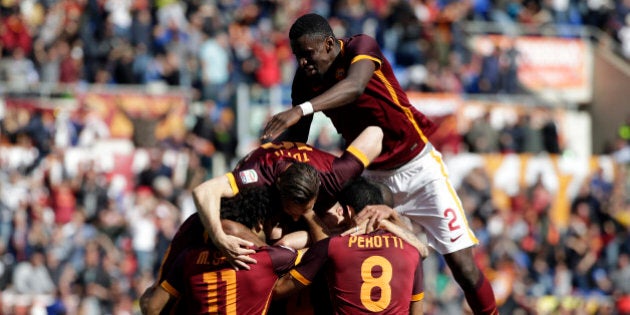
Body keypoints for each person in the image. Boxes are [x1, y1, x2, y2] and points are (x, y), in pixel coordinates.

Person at [262, 13, 498, 314]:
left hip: (419, 168)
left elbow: (355, 86)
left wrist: (301, 108)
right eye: (297, 57)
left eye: (308, 55)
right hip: (370, 181)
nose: (303, 64)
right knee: (336, 255)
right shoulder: (306, 81)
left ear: (330, 44)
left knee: (463, 267)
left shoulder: (361, 46)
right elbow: (298, 142)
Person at [192, 125, 383, 270]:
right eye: (293, 212)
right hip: (263, 182)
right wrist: (220, 239)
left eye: (307, 209)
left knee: (333, 222)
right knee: (275, 235)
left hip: (313, 177)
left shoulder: (336, 174)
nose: (295, 218)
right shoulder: (257, 174)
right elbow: (203, 191)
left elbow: (376, 132)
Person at [273, 177, 426, 314]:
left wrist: (308, 212)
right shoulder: (411, 251)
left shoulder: (333, 246)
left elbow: (279, 287)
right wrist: (389, 220)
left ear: (348, 211)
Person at [140, 186, 298, 315]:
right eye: (278, 225)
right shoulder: (269, 259)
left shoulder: (190, 253)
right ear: (260, 223)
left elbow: (151, 306)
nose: (282, 231)